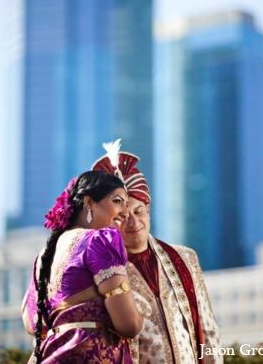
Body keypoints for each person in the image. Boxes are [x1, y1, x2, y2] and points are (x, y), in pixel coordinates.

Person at [92, 140, 223, 364]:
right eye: (123, 216)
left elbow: (208, 331)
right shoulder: (103, 267)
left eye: (138, 211)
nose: (133, 222)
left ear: (148, 209)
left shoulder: (185, 258)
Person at [21, 170, 143, 364]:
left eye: (127, 204)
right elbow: (129, 325)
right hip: (91, 355)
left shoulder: (44, 256)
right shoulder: (101, 240)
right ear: (88, 203)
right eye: (118, 201)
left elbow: (32, 324)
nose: (126, 212)